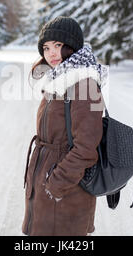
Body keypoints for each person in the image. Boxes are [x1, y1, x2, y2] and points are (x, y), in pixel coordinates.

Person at [22, 16, 108, 236]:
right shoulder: (59, 81)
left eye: (58, 46)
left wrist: (55, 184)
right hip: (51, 194)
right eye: (46, 47)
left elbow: (86, 148)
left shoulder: (83, 84)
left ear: (72, 46)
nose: (51, 53)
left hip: (66, 195)